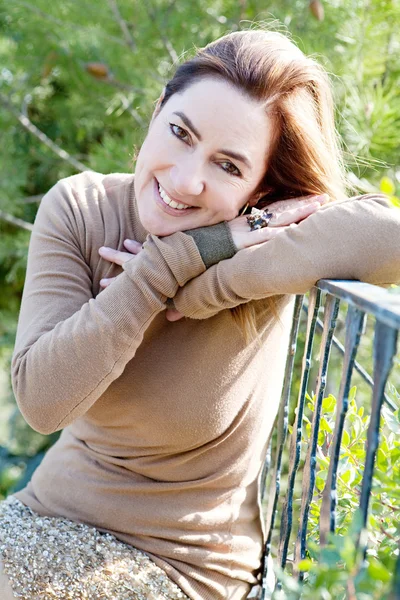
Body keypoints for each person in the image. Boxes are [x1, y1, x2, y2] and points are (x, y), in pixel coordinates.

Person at [1, 28, 399, 600]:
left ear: (262, 190)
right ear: (157, 111)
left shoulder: (265, 253)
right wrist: (171, 266)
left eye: (229, 167)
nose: (187, 180)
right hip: (41, 519)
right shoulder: (81, 209)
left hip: (181, 563)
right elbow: (42, 401)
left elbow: (390, 238)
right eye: (181, 133)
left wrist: (200, 278)